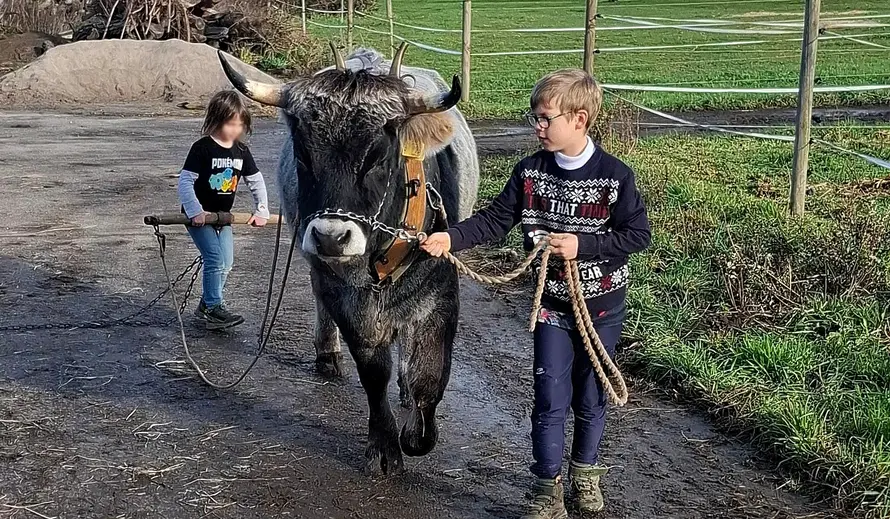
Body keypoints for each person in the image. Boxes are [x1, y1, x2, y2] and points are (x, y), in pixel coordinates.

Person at [421, 69, 651, 518]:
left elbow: (637, 234)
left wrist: (583, 245)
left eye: (546, 118)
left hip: (601, 309)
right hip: (551, 307)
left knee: (590, 396)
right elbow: (493, 220)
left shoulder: (614, 177)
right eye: (535, 117)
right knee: (548, 396)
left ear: (579, 119)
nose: (537, 126)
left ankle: (585, 473)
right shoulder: (529, 173)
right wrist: (450, 237)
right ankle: (547, 489)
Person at [177, 90, 270, 331]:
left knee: (227, 263)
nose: (236, 130)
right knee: (214, 258)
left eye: (240, 125)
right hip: (198, 216)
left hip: (223, 217)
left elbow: (256, 181)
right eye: (231, 124)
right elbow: (186, 181)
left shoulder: (241, 151)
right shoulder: (202, 148)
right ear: (217, 120)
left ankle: (206, 305)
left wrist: (261, 209)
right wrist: (195, 211)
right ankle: (214, 307)